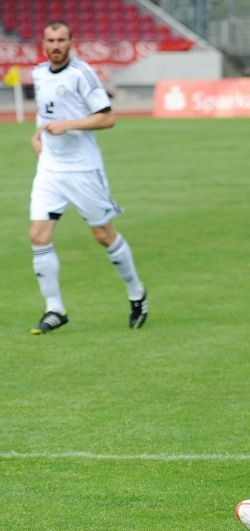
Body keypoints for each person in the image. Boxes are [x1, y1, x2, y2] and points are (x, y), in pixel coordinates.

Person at [28, 20, 147, 334]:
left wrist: (68, 125)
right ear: (43, 43)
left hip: (83, 169)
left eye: (61, 40)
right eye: (50, 40)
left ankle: (137, 293)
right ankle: (55, 309)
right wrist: (38, 134)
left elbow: (108, 118)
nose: (56, 46)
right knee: (38, 235)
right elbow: (45, 110)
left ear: (71, 42)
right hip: (50, 169)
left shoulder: (82, 73)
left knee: (103, 235)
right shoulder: (38, 73)